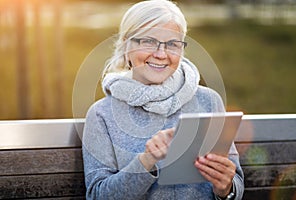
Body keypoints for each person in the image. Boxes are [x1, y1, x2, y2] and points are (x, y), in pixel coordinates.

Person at [82, 0, 244, 199]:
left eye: (172, 44)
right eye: (148, 41)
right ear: (126, 46)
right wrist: (146, 162)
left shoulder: (209, 102)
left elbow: (235, 183)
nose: (160, 54)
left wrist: (226, 189)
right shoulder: (102, 114)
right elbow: (98, 196)